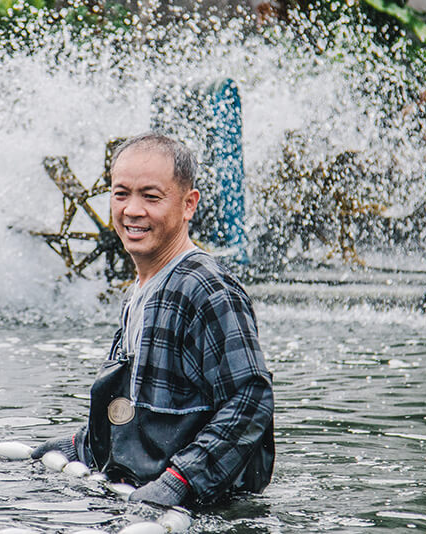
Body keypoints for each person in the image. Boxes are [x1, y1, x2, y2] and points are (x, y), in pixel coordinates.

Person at [32, 133, 275, 507]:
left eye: (151, 196)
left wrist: (181, 482)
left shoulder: (206, 288)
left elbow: (251, 400)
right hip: (139, 498)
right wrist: (82, 446)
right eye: (120, 193)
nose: (132, 209)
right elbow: (139, 407)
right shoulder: (144, 287)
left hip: (204, 512)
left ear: (188, 204)